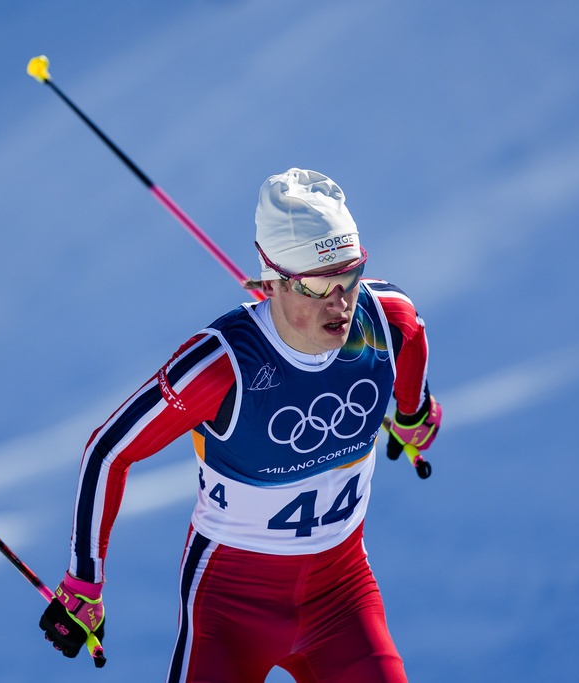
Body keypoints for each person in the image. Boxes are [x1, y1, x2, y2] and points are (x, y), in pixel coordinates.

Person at [40, 168, 442, 682]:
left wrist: (411, 415)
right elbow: (107, 452)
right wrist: (84, 580)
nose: (341, 303)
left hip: (342, 598)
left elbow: (413, 342)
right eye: (320, 284)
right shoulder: (223, 365)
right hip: (230, 608)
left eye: (350, 274)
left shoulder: (384, 321)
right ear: (273, 280)